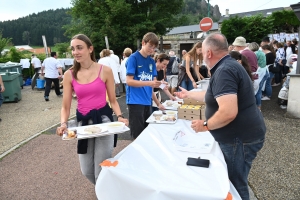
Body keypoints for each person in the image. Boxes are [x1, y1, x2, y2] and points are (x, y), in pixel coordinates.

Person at [175, 32, 266, 200]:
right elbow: (211, 95)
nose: (201, 55)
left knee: (235, 184)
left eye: (202, 51)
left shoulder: (225, 70)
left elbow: (228, 112)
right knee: (235, 181)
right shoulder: (226, 66)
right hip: (240, 136)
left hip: (239, 139)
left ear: (209, 52)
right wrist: (188, 94)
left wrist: (205, 125)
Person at [56, 34, 128, 185]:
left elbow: (113, 100)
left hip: (103, 120)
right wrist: (63, 123)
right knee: (87, 170)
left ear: (90, 49)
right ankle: (102, 188)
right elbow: (65, 106)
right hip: (83, 123)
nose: (75, 52)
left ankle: (103, 193)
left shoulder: (105, 70)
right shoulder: (70, 75)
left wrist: (120, 116)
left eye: (79, 48)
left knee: (100, 169)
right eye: (73, 49)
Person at [126, 32, 161, 139]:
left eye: (154, 48)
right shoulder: (133, 58)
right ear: (143, 43)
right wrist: (149, 83)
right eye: (150, 46)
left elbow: (152, 83)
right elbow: (129, 81)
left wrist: (162, 84)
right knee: (137, 136)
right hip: (135, 102)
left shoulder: (151, 61)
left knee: (147, 135)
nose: (152, 50)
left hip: (147, 102)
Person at [248, 42, 268, 110]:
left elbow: (255, 65)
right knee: (259, 90)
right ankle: (258, 106)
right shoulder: (261, 52)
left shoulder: (255, 54)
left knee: (257, 90)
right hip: (265, 71)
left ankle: (258, 107)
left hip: (260, 72)